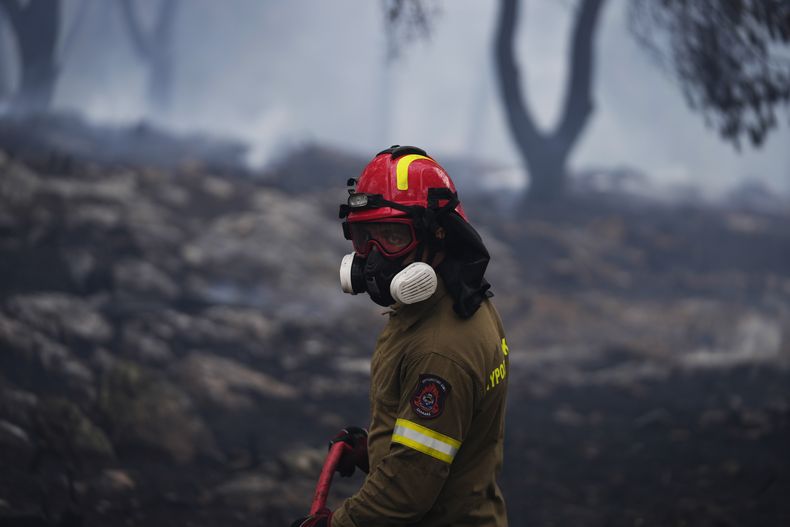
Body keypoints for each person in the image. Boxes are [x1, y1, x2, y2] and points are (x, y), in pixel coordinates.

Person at [292, 145, 509, 527]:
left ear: (439, 234)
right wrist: (375, 450)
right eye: (364, 237)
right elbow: (435, 447)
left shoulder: (440, 351)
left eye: (393, 236)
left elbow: (406, 493)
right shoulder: (453, 302)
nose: (373, 258)